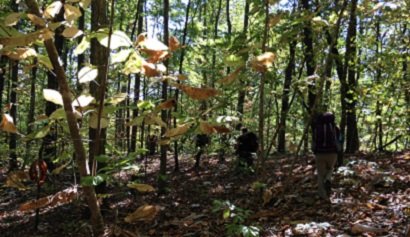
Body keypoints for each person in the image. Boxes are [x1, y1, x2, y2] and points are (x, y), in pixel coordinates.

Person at [312, 112, 341, 200]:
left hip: (320, 153)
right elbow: (340, 139)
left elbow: (314, 141)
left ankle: (323, 195)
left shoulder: (317, 128)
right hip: (332, 153)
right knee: (331, 168)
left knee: (320, 175)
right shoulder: (335, 128)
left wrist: (314, 151)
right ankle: (328, 179)